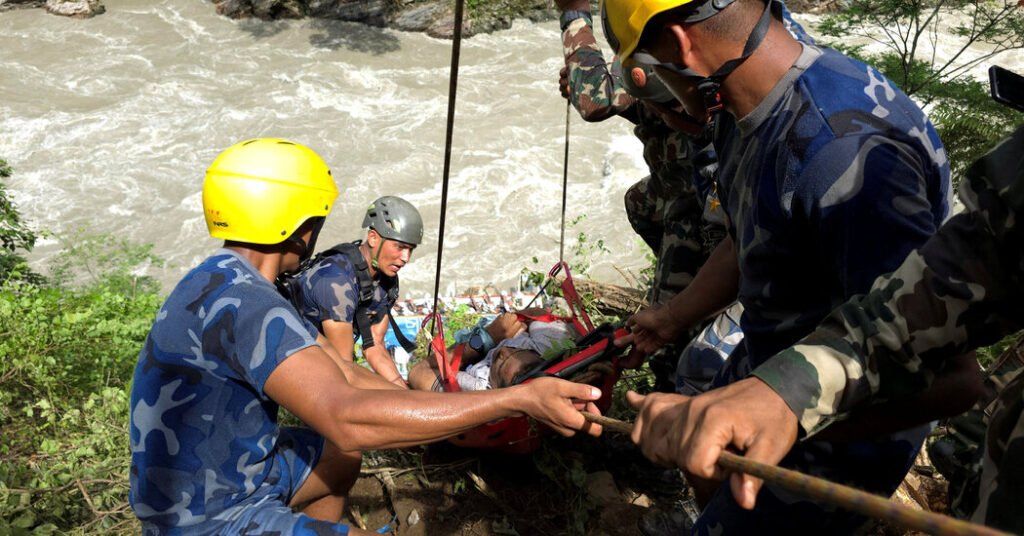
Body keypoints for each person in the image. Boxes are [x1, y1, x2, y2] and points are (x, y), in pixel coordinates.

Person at [601, 0, 978, 532]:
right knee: (696, 391)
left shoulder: (845, 160)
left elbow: (954, 380)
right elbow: (751, 230)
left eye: (647, 77)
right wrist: (672, 316)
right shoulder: (743, 103)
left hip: (856, 414)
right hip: (780, 361)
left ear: (682, 47)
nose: (659, 99)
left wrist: (783, 421)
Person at [127, 138, 603, 535]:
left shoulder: (219, 279)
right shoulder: (256, 305)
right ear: (301, 228)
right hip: (205, 516)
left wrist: (446, 405)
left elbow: (342, 372)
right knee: (344, 439)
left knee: (339, 459)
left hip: (222, 473)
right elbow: (344, 415)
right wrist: (512, 401)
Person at [626, 123, 1024, 534]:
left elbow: (956, 376)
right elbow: (947, 287)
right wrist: (788, 390)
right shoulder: (747, 127)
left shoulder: (840, 149)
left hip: (860, 430)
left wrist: (796, 410)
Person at [556, 0, 812, 393]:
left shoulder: (756, 93)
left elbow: (597, 98)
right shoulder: (734, 53)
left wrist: (575, 16)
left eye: (665, 106)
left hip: (709, 212)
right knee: (642, 204)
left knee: (692, 363)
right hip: (698, 201)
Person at [285, 196, 422, 389]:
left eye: (410, 249)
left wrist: (403, 391)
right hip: (291, 356)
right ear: (373, 238)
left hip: (327, 355)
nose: (405, 258)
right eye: (400, 247)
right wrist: (402, 400)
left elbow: (374, 344)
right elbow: (344, 369)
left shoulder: (386, 276)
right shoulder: (336, 280)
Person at [408, 309, 579, 392]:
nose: (505, 350)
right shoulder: (547, 346)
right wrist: (520, 324)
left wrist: (484, 340)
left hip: (478, 350)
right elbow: (538, 314)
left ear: (502, 353)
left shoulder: (478, 389)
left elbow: (418, 373)